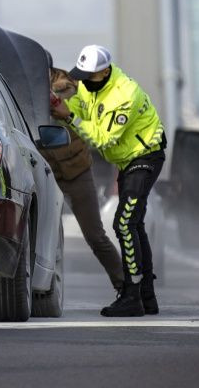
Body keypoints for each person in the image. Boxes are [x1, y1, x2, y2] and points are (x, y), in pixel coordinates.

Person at [52, 44, 165, 317]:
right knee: (134, 223)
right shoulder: (93, 87)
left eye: (86, 75)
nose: (81, 80)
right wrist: (60, 97)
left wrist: (69, 115)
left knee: (124, 223)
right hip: (127, 161)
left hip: (145, 156)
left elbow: (103, 138)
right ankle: (146, 296)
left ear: (103, 72)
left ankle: (131, 296)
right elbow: (79, 106)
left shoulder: (125, 94)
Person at [38, 66, 125, 293]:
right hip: (46, 174)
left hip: (77, 172)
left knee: (95, 236)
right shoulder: (19, 90)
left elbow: (70, 91)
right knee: (38, 236)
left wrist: (54, 98)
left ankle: (126, 288)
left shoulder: (63, 83)